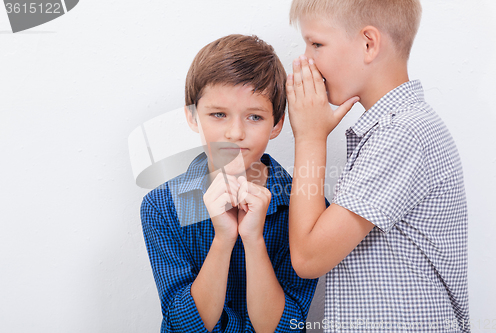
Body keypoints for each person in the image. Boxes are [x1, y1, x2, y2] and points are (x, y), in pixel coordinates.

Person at [285, 0, 469, 332]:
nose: (305, 59)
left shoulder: (402, 136)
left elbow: (308, 257)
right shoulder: (398, 129)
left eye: (316, 44)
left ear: (369, 44)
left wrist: (310, 137)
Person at [141, 34, 318, 332]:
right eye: (219, 114)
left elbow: (285, 327)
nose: (235, 133)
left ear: (277, 124)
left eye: (254, 117)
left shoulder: (305, 206)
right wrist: (223, 240)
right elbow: (184, 326)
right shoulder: (162, 206)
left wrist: (253, 240)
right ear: (193, 117)